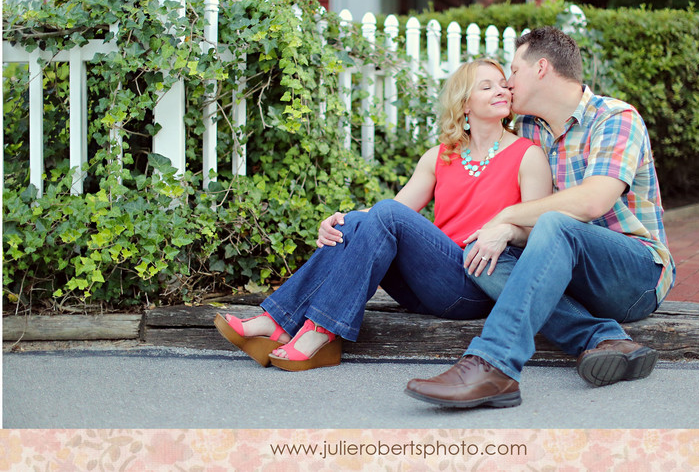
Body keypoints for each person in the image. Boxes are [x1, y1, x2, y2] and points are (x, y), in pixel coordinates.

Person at [214, 58, 552, 372]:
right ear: (465, 103)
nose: (502, 91)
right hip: (428, 284)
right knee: (359, 222)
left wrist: (505, 230)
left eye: (503, 84)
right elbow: (393, 211)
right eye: (487, 86)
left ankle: (310, 328)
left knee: (384, 213)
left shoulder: (528, 155)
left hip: (475, 283)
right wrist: (341, 219)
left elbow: (538, 230)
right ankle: (288, 324)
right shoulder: (440, 156)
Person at [406, 26, 675, 408]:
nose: (509, 84)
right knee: (481, 253)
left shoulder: (615, 118)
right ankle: (601, 338)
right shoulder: (530, 128)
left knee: (553, 222)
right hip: (568, 272)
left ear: (541, 69)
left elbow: (593, 202)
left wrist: (507, 215)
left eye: (514, 71)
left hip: (634, 274)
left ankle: (493, 365)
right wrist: (502, 232)